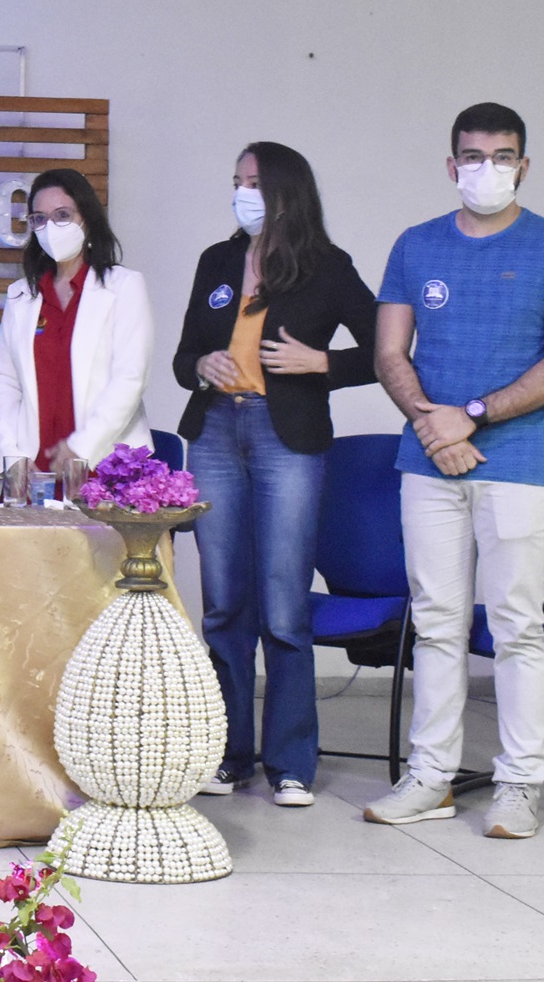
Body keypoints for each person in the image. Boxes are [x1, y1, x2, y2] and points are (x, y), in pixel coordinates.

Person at [364, 103, 544, 840]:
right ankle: (429, 776)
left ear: (523, 166)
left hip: (519, 462)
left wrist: (470, 415)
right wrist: (434, 426)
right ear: (450, 164)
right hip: (427, 460)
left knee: (517, 625)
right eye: (472, 155)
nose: (486, 168)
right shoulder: (415, 243)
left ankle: (519, 784)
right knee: (436, 622)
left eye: (501, 156)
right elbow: (389, 353)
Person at [171, 142, 378, 809]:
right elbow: (183, 354)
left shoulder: (327, 266)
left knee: (284, 605)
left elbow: (386, 347)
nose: (242, 193)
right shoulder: (217, 259)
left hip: (285, 437)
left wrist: (323, 363)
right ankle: (229, 755)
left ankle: (290, 763)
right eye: (236, 180)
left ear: (288, 191)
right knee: (224, 604)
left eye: (255, 182)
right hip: (214, 433)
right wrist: (201, 365)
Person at [0, 169, 152, 483]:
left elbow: (130, 378)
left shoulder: (124, 286)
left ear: (86, 218)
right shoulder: (21, 295)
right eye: (39, 218)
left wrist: (80, 448)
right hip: (35, 467)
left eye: (62, 215)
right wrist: (12, 456)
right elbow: (4, 381)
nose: (50, 227)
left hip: (105, 460)